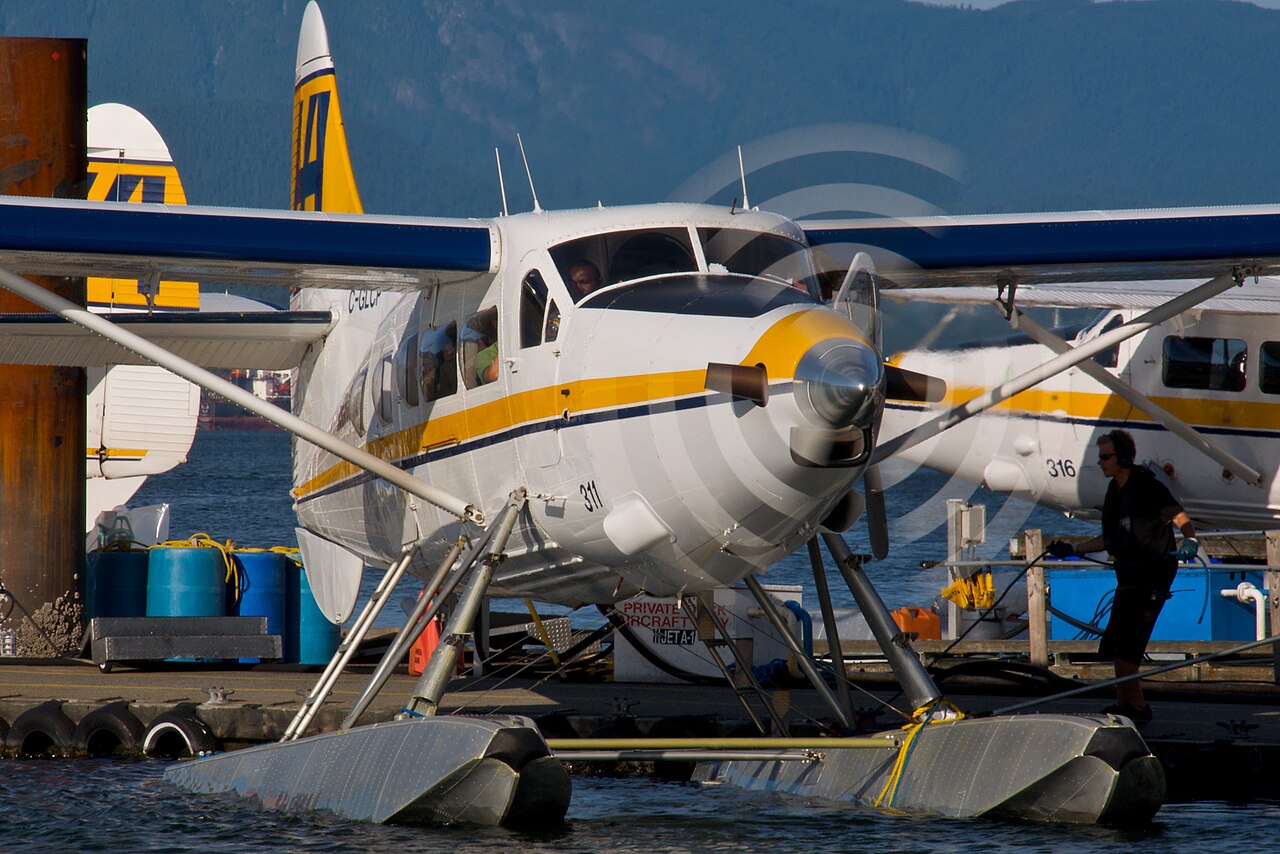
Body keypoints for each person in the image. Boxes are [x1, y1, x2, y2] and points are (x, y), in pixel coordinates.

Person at [1048, 429, 1198, 723]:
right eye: (1100, 457)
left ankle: (1139, 709)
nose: (1101, 462)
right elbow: (1108, 539)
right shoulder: (1114, 493)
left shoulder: (1148, 487)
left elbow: (1180, 517)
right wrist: (1073, 548)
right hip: (1128, 579)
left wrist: (1190, 541)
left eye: (1105, 456)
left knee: (1128, 651)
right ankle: (1123, 704)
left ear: (1124, 458)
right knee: (1116, 647)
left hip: (1151, 579)